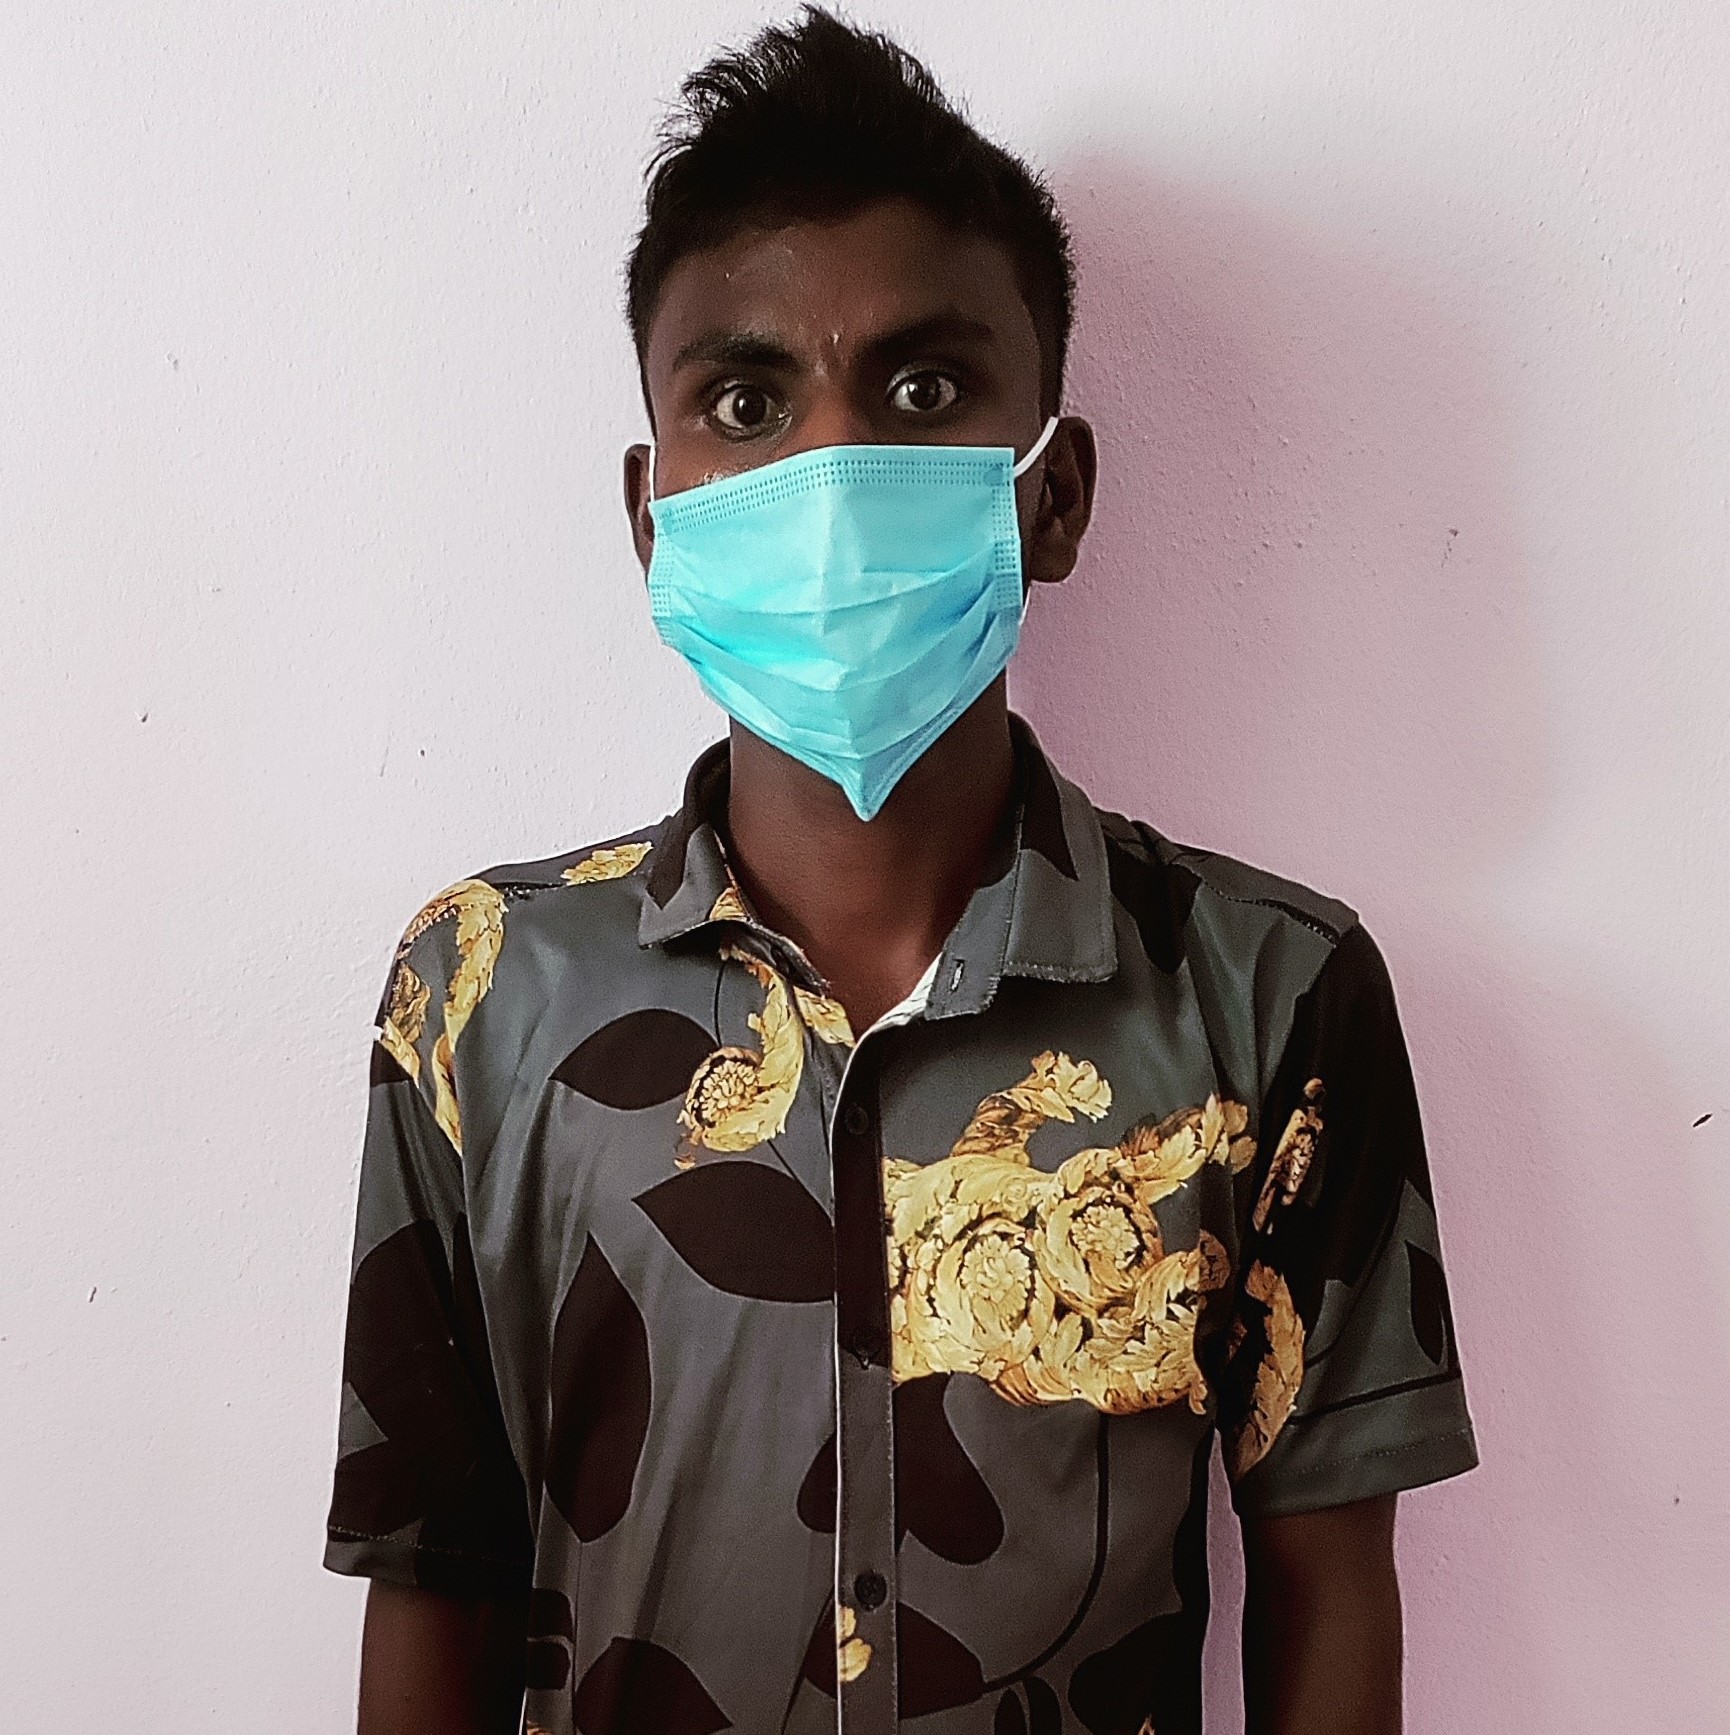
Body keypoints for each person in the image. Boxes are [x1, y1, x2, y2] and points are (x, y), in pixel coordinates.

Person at [325, 11, 1478, 1733]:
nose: (832, 474)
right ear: (654, 518)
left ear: (1052, 494)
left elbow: (1329, 1595)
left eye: (923, 390)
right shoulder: (481, 991)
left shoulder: (1268, 992)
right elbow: (439, 1574)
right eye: (745, 402)